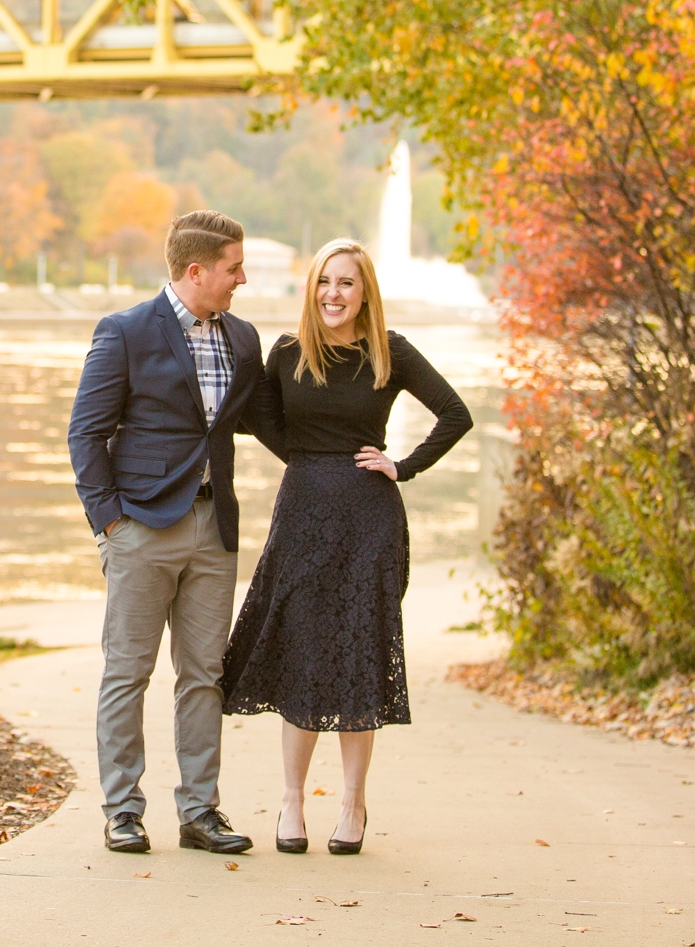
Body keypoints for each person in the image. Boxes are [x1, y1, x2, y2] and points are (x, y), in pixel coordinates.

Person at [221, 238, 472, 855]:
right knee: (305, 648)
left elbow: (455, 414)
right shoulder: (286, 352)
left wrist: (401, 465)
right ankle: (290, 800)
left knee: (359, 652)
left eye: (346, 283)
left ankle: (354, 804)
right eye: (325, 282)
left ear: (365, 292)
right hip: (303, 512)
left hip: (369, 517)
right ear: (313, 289)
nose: (333, 294)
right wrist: (310, 463)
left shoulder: (392, 351)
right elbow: (258, 418)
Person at [69, 210, 281, 856]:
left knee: (204, 675)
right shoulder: (127, 332)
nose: (241, 278)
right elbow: (85, 433)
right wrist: (110, 523)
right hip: (140, 526)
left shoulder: (243, 338)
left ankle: (200, 811)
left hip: (213, 530)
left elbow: (271, 426)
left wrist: (342, 456)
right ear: (196, 271)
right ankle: (123, 810)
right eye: (232, 268)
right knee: (127, 672)